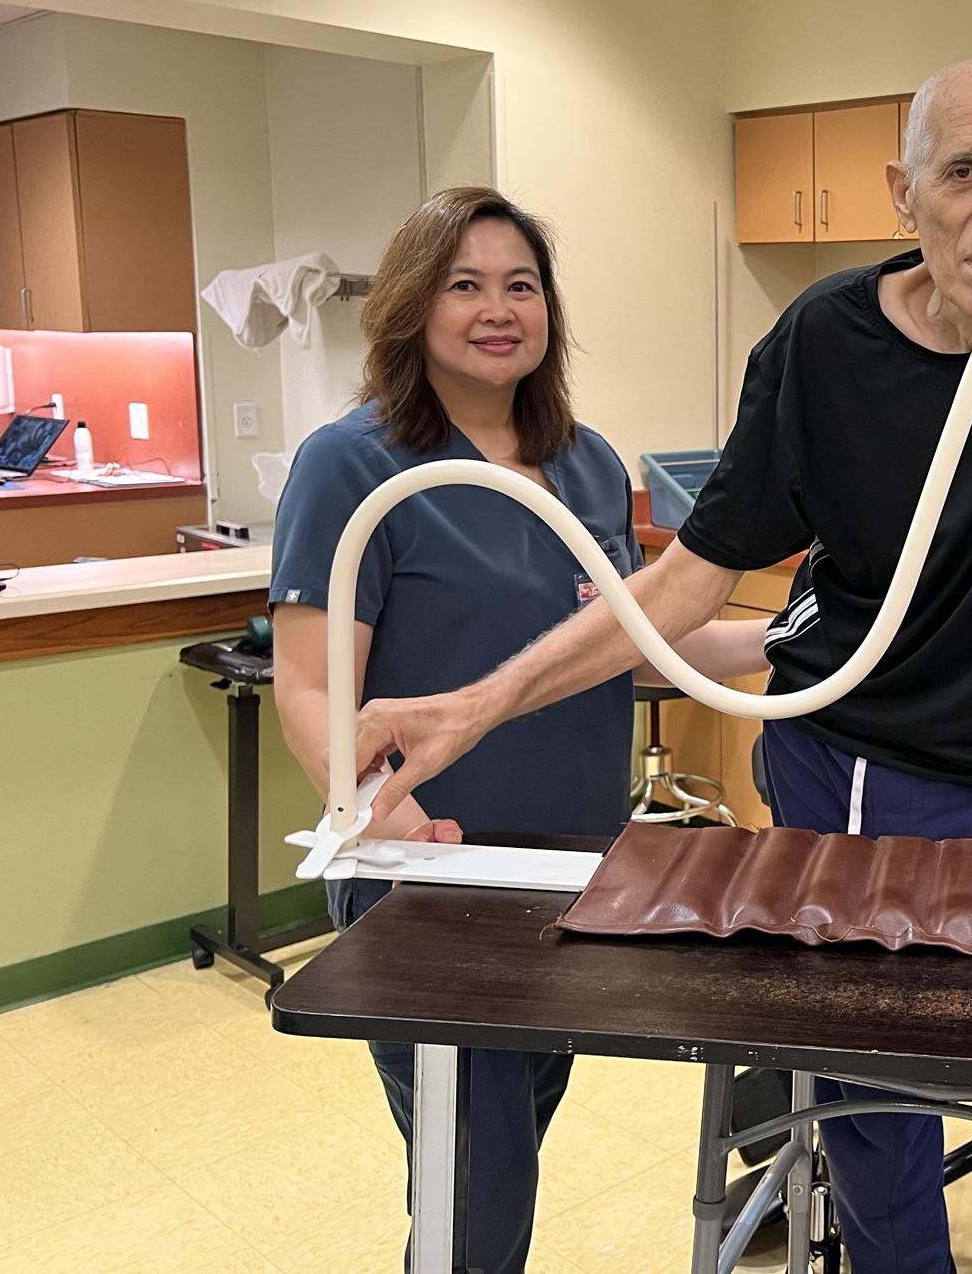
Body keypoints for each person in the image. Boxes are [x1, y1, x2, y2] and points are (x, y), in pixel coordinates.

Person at [351, 60, 972, 1273]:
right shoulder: (821, 343)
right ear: (902, 193)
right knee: (869, 1101)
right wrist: (474, 708)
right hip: (846, 764)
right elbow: (685, 584)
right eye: (963, 172)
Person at [270, 186, 764, 1274]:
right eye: (465, 285)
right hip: (428, 881)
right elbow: (307, 688)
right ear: (413, 305)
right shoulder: (353, 465)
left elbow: (628, 646)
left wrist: (794, 644)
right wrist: (378, 812)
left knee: (508, 1140)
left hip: (569, 876)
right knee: (479, 1181)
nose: (498, 310)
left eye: (521, 286)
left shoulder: (586, 464)